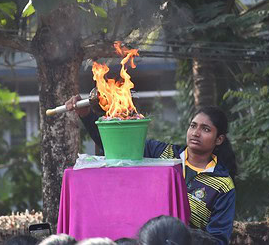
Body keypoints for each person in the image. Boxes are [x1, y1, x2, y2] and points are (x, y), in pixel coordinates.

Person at [66, 96, 237, 245]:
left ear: (219, 139)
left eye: (205, 129)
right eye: (193, 126)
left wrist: (176, 236)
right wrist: (87, 115)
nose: (196, 133)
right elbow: (117, 146)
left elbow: (218, 239)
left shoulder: (223, 184)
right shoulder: (162, 154)